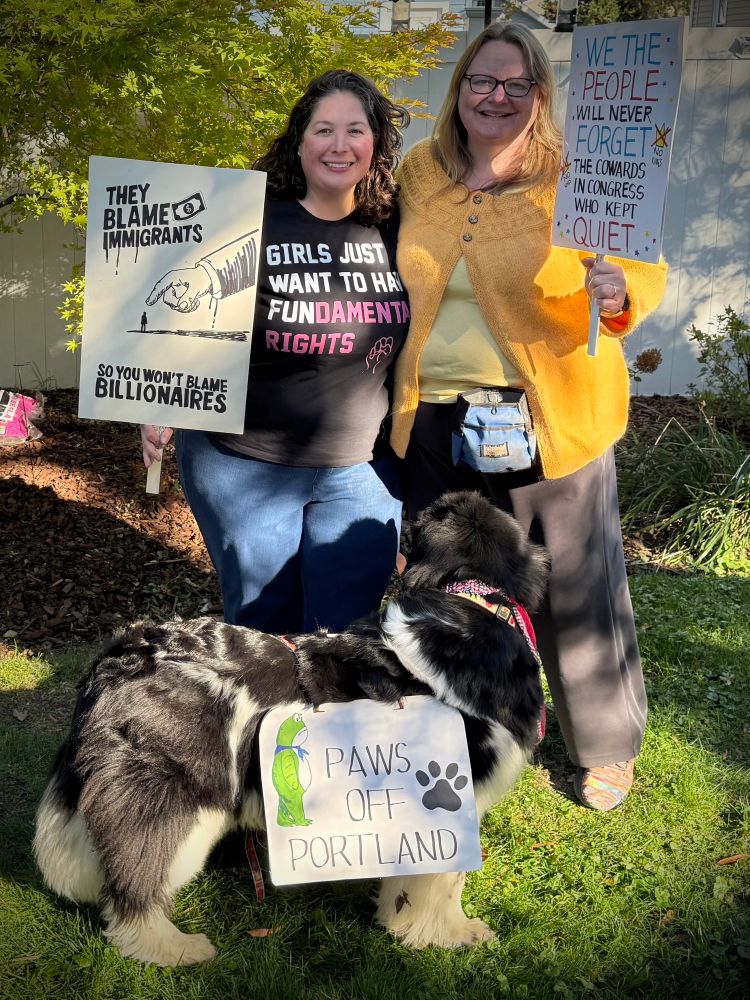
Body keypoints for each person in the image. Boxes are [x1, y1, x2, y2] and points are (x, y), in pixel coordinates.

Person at [390, 23, 668, 811]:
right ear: (460, 88)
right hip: (435, 419)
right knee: (443, 583)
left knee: (576, 589)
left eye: (517, 84)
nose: (497, 97)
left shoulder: (576, 176)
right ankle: (456, 720)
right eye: (482, 80)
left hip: (548, 418)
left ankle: (607, 747)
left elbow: (641, 263)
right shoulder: (422, 172)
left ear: (540, 95)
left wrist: (620, 292)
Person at [141, 70, 409, 634]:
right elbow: (184, 297)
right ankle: (267, 727)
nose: (339, 146)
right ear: (299, 140)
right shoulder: (249, 220)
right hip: (244, 465)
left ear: (377, 144)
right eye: (323, 130)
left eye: (355, 130)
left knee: (347, 636)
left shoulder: (402, 227)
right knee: (262, 634)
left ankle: (332, 725)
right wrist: (158, 392)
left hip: (365, 473)